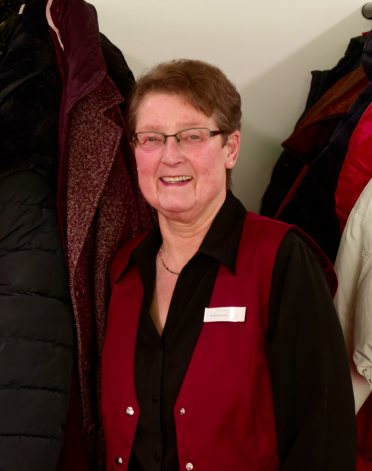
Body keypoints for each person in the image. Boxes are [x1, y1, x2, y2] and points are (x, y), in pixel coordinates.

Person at [100, 59, 356, 470]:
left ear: (231, 149)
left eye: (192, 136)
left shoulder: (281, 259)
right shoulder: (122, 270)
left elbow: (322, 437)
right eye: (151, 138)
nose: (170, 156)